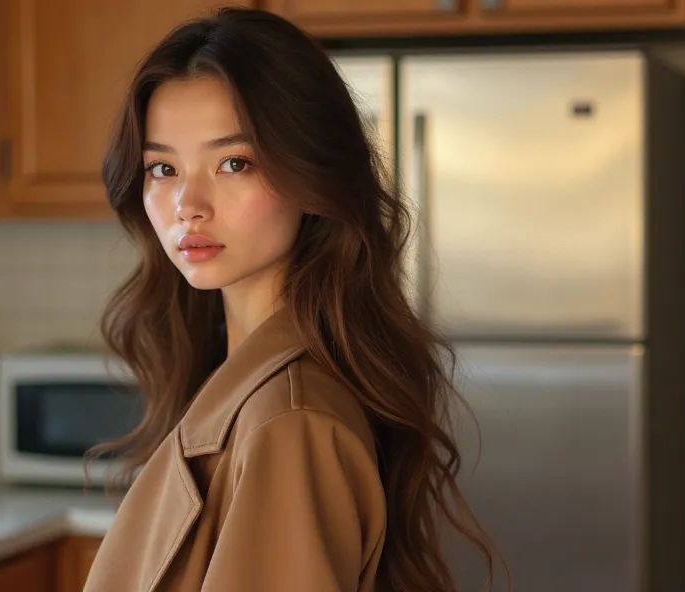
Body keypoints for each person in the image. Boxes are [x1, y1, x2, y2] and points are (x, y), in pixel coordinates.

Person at [83, 7, 508, 592]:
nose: (188, 203)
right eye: (162, 167)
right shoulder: (242, 389)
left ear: (310, 171)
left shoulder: (288, 422)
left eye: (234, 162)